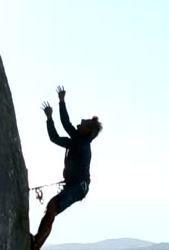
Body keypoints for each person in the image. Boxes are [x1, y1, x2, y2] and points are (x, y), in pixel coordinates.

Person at [32, 86, 102, 250]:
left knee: (52, 207)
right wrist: (61, 102)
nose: (80, 122)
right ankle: (36, 243)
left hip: (78, 187)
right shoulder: (80, 138)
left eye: (84, 123)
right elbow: (66, 123)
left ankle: (35, 244)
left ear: (87, 131)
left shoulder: (80, 143)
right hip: (75, 185)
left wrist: (49, 118)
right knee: (51, 210)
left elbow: (55, 138)